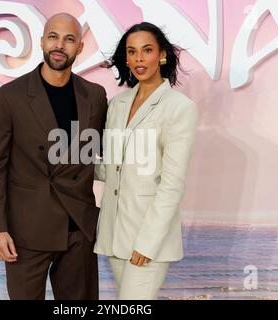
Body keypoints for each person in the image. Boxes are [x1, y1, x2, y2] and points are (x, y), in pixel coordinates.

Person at [0, 13, 108, 300]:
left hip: (79, 227)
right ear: (42, 42)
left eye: (69, 39)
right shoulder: (9, 97)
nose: (60, 45)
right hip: (26, 231)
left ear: (80, 48)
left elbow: (107, 152)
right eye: (53, 37)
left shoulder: (95, 95)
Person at [94, 22, 198, 300]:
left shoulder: (179, 108)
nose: (139, 58)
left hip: (147, 238)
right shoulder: (117, 104)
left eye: (147, 50)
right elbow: (111, 167)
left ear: (161, 55)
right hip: (114, 233)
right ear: (126, 58)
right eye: (132, 52)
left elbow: (172, 184)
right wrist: (70, 163)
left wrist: (148, 242)